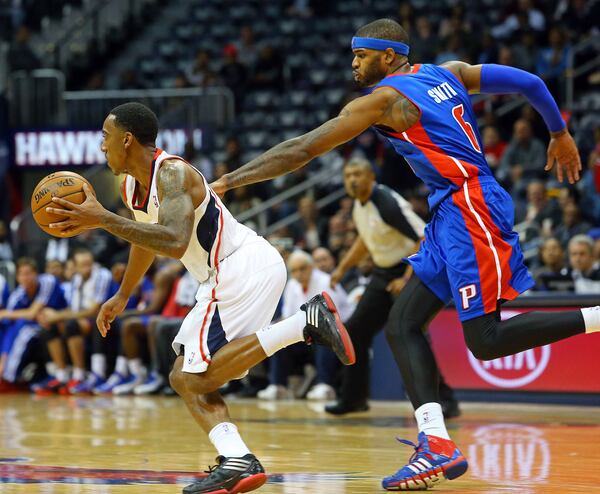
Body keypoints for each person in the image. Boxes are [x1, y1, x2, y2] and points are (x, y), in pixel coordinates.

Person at [210, 18, 590, 491]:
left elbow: (303, 149)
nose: (353, 62)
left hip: (469, 206)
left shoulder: (386, 99)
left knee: (487, 339)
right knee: (402, 323)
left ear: (389, 56)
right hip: (450, 210)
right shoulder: (446, 72)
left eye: (362, 54)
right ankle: (437, 443)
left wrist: (228, 181)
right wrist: (558, 131)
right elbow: (530, 82)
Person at [45, 102, 355, 494]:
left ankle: (303, 323)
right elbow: (144, 239)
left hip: (239, 264)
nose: (102, 147)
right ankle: (237, 458)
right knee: (184, 377)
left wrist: (103, 218)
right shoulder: (130, 186)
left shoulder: (172, 173)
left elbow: (173, 242)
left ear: (126, 139)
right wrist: (123, 294)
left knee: (195, 377)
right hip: (222, 274)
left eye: (106, 138)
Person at [325, 157, 459, 418]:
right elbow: (366, 240)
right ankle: (354, 399)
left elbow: (424, 237)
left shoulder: (386, 202)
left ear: (370, 177)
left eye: (357, 174)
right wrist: (342, 268)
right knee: (354, 333)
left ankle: (446, 401)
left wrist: (407, 278)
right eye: (348, 175)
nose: (352, 180)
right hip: (383, 274)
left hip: (410, 271)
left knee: (408, 334)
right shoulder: (359, 204)